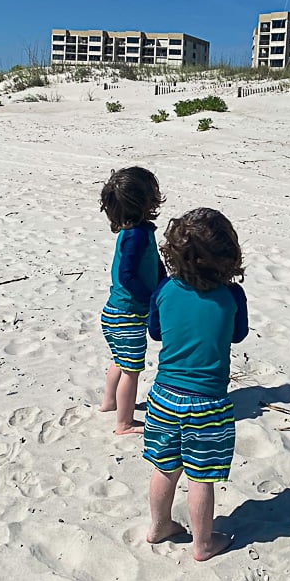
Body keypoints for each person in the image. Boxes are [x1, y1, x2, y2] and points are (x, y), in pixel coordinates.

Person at [143, 207, 248, 561]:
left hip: (162, 397)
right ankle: (203, 544)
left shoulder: (164, 290)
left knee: (165, 468)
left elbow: (155, 332)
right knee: (200, 478)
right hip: (207, 404)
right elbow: (238, 335)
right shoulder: (231, 296)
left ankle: (159, 527)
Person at [99, 167, 166, 435]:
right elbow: (127, 275)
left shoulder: (137, 231)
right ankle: (124, 423)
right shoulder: (137, 235)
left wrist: (164, 282)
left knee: (119, 359)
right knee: (131, 369)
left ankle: (109, 402)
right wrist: (151, 300)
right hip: (127, 314)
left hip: (114, 312)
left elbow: (153, 264)